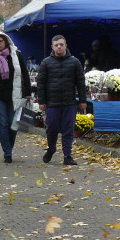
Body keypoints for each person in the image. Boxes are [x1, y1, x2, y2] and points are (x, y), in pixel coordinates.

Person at [0, 30, 32, 163]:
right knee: (2, 123)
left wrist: (28, 92)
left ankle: (10, 147)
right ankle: (7, 152)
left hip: (15, 94)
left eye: (1, 41)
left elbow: (25, 74)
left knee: (13, 124)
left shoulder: (16, 55)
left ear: (6, 41)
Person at [36, 34, 87, 166]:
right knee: (51, 128)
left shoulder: (75, 62)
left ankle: (67, 155)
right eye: (56, 45)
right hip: (52, 103)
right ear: (52, 47)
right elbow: (41, 84)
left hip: (69, 102)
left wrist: (83, 100)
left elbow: (81, 83)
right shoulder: (46, 63)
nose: (59, 47)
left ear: (66, 46)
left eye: (61, 44)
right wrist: (42, 101)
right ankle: (51, 148)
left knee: (68, 129)